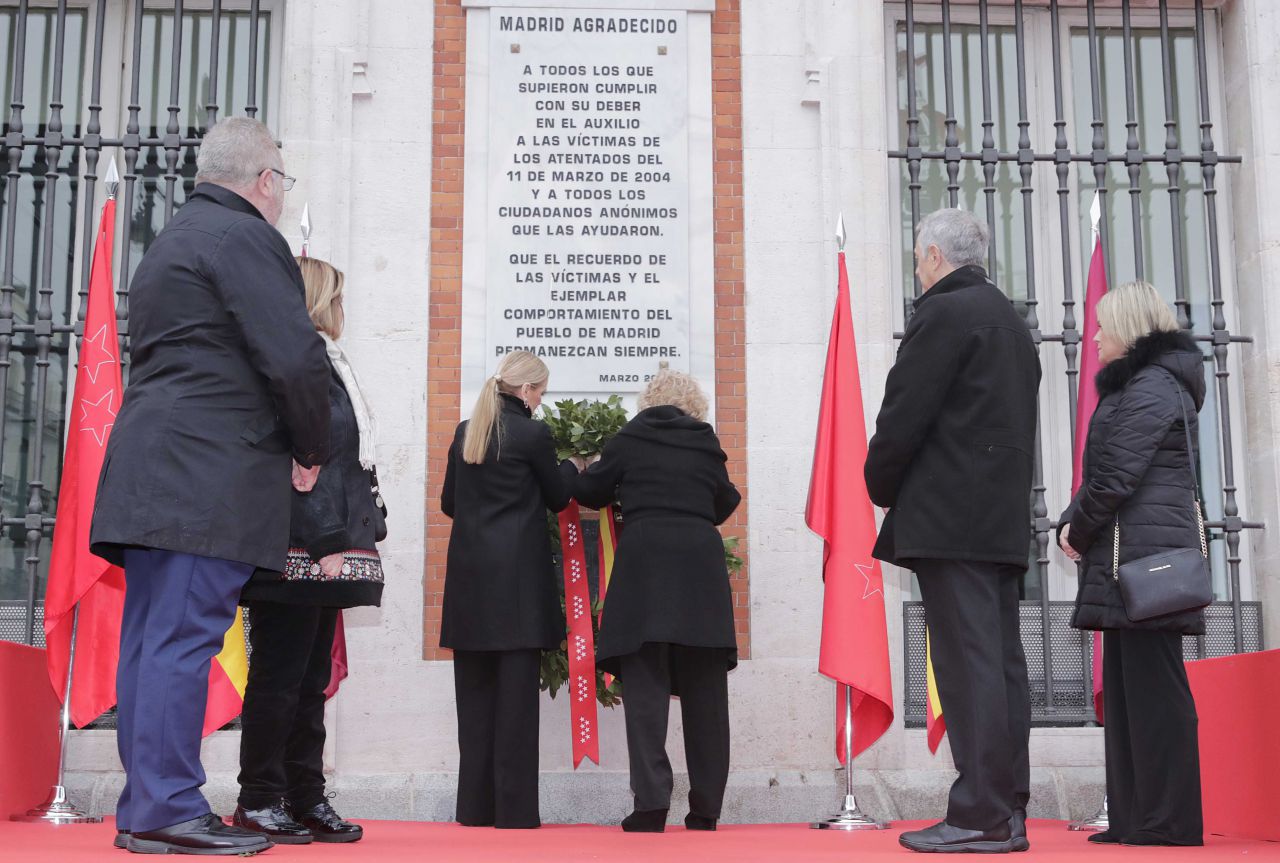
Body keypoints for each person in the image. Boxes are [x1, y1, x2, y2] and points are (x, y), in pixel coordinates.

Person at [89, 117, 330, 856]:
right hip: (203, 474)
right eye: (282, 182)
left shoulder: (174, 238)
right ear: (263, 181)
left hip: (156, 469)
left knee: (153, 643)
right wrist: (310, 446)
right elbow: (293, 357)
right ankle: (166, 807)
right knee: (182, 641)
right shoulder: (247, 238)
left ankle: (148, 804)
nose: (282, 197)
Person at [865, 208, 1040, 854]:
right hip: (998, 520)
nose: (917, 269)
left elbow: (903, 414)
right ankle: (1008, 806)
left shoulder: (943, 312)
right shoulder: (1013, 324)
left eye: (918, 259)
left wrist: (878, 483)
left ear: (936, 256)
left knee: (968, 668)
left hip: (950, 517)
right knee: (999, 663)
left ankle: (978, 813)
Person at [233, 256, 386, 845]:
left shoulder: (322, 360)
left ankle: (303, 795)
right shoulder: (296, 364)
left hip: (323, 545)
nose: (343, 309)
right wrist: (327, 537)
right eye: (338, 298)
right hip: (296, 547)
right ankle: (259, 798)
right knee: (279, 676)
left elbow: (343, 455)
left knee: (309, 678)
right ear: (319, 301)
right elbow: (305, 457)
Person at [1058, 281, 1205, 847]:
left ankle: (1169, 822)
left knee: (1156, 696)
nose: (1094, 337)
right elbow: (1107, 472)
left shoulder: (1152, 387)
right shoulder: (1142, 387)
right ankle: (1134, 818)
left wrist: (1079, 525)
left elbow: (1117, 477)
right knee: (1126, 696)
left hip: (1146, 561)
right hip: (1130, 558)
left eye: (1103, 327)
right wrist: (1070, 521)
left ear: (1129, 329)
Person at [571, 369, 740, 833]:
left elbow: (590, 492)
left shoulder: (631, 437)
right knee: (707, 699)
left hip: (646, 565)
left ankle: (650, 807)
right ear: (694, 405)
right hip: (699, 569)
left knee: (645, 695)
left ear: (648, 400)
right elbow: (725, 502)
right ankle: (705, 810)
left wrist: (584, 467)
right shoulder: (706, 443)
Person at [440, 350, 577, 829]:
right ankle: (515, 813)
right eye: (540, 391)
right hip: (517, 584)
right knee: (516, 706)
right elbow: (558, 496)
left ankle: (473, 810)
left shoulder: (466, 430)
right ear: (524, 389)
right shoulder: (532, 432)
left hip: (469, 582)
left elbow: (449, 503)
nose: (541, 400)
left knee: (474, 704)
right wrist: (575, 466)